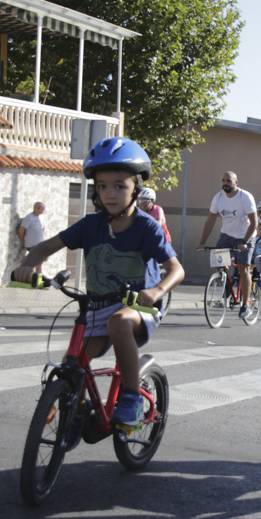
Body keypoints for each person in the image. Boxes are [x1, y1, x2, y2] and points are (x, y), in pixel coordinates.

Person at [14, 137, 183, 431]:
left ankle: (130, 398)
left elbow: (176, 269)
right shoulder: (90, 225)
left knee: (119, 323)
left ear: (136, 189)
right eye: (102, 186)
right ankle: (77, 412)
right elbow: (44, 248)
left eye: (120, 185)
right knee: (74, 362)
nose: (110, 194)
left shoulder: (147, 227)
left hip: (137, 307)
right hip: (97, 306)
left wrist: (155, 292)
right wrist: (27, 266)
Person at [197, 171, 257, 318]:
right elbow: (210, 221)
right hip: (227, 235)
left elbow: (254, 223)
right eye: (223, 180)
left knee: (244, 268)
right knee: (219, 262)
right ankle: (227, 283)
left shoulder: (245, 197)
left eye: (229, 181)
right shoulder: (218, 198)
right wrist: (202, 242)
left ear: (236, 182)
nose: (225, 183)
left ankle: (245, 304)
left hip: (246, 236)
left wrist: (245, 242)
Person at [18, 202, 47, 274]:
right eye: (42, 209)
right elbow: (21, 230)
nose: (43, 211)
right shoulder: (29, 217)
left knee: (42, 259)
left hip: (39, 243)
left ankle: (36, 275)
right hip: (31, 244)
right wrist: (22, 239)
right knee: (38, 261)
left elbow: (43, 228)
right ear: (39, 209)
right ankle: (37, 276)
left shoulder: (41, 217)